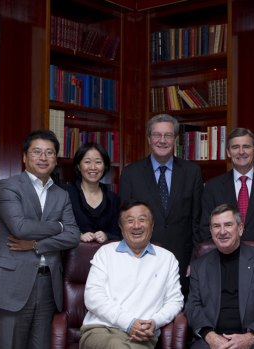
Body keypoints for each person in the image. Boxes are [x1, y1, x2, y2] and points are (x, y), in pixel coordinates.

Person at [0, 129, 80, 349]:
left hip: (48, 283)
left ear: (56, 159)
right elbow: (20, 228)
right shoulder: (8, 186)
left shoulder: (61, 194)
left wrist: (38, 245)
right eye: (37, 152)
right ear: (25, 157)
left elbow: (73, 235)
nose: (43, 158)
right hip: (13, 282)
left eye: (49, 153)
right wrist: (58, 226)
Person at [80, 200, 184, 349]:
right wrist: (128, 323)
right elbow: (93, 297)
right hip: (100, 330)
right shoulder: (105, 253)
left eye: (142, 220)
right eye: (130, 221)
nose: (136, 226)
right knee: (116, 346)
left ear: (152, 225)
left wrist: (154, 322)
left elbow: (175, 301)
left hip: (142, 334)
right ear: (121, 227)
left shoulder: (167, 259)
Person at [119, 114, 203, 294]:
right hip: (140, 261)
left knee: (178, 315)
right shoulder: (130, 174)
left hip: (182, 263)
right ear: (149, 138)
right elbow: (124, 222)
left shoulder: (192, 172)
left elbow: (197, 221)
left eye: (168, 135)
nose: (162, 140)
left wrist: (195, 260)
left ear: (175, 139)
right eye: (157, 135)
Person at [185, 204, 254, 349]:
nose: (222, 231)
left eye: (228, 225)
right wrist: (210, 335)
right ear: (211, 231)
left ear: (240, 229)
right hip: (212, 341)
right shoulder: (199, 266)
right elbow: (192, 307)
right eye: (216, 226)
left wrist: (250, 337)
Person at [199, 128, 254, 243]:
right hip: (223, 257)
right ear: (228, 152)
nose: (241, 152)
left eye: (246, 146)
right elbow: (206, 228)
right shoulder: (212, 187)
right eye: (235, 147)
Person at [65, 142, 121, 243]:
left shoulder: (113, 199)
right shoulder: (65, 193)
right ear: (78, 166)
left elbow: (118, 232)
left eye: (98, 162)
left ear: (104, 166)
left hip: (106, 256)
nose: (93, 167)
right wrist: (78, 235)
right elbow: (57, 227)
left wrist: (107, 235)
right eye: (87, 162)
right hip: (72, 256)